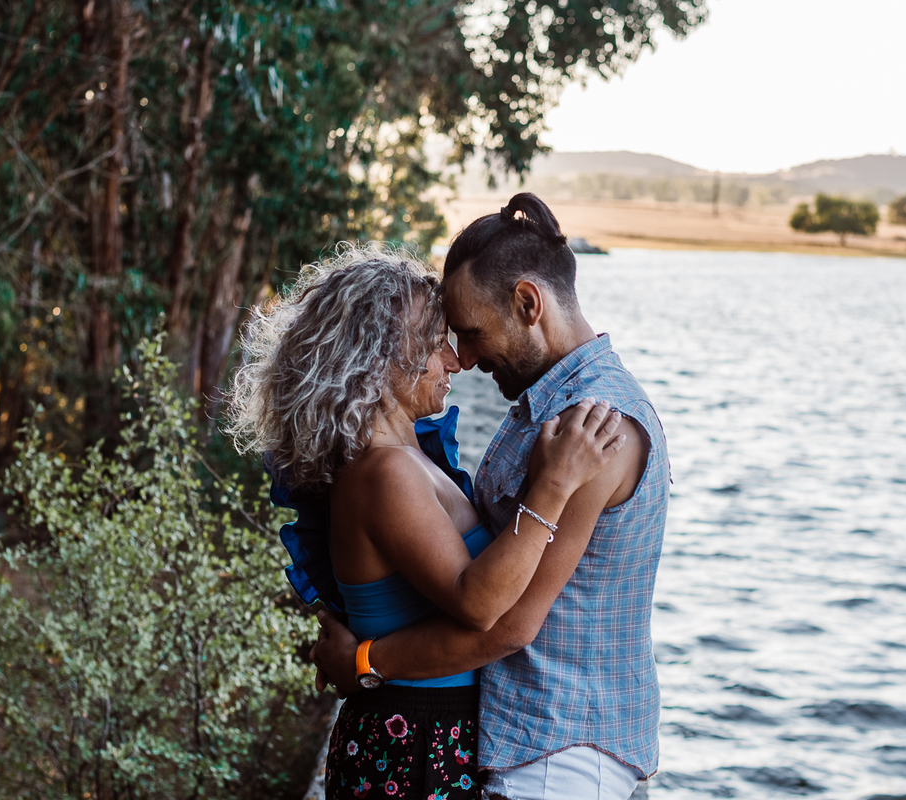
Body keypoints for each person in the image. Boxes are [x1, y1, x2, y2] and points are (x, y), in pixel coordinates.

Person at [225, 246, 627, 800]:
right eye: (436, 341)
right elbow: (478, 603)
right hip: (410, 740)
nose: (455, 360)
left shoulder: (402, 458)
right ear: (384, 356)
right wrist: (554, 485)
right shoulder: (385, 471)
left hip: (422, 731)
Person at [311, 194, 671, 800]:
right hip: (523, 744)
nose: (466, 359)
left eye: (472, 333)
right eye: (448, 339)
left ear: (529, 303)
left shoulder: (591, 427)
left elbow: (507, 624)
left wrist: (366, 662)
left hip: (558, 755)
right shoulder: (541, 405)